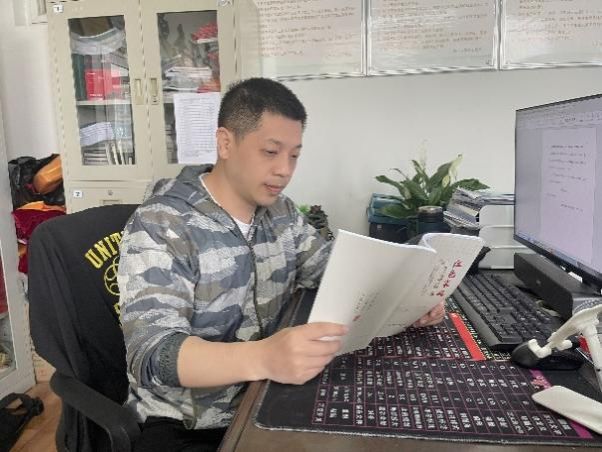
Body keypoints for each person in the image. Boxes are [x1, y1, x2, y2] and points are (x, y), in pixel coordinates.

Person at [117, 77, 445, 452]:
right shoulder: (163, 224)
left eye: (294, 155)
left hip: (267, 396)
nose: (284, 170)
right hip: (189, 424)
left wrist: (406, 299)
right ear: (225, 143)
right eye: (271, 152)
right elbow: (153, 354)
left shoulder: (281, 213)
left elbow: (330, 269)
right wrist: (264, 357)